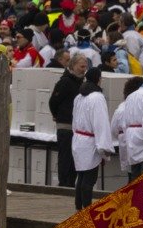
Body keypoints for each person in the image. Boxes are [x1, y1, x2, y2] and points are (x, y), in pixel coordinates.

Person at [71, 67, 115, 209]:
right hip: (90, 141)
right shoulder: (97, 97)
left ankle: (79, 206)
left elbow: (74, 119)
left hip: (78, 138)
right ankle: (87, 207)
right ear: (98, 79)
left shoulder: (78, 96)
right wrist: (104, 146)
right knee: (89, 178)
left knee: (81, 176)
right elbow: (101, 122)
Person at [49, 52, 88, 188]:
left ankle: (71, 183)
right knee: (65, 156)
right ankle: (64, 184)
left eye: (85, 67)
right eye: (81, 66)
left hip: (76, 126)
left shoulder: (82, 83)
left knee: (74, 157)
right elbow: (53, 101)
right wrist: (57, 115)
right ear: (73, 65)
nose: (84, 69)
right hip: (65, 124)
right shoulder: (65, 82)